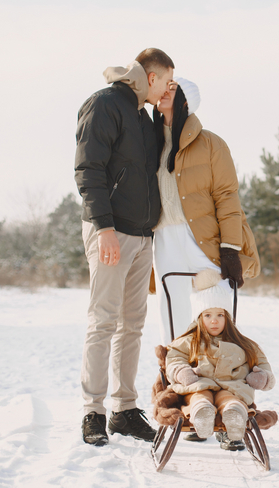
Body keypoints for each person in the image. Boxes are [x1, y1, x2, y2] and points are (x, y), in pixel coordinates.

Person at [74, 48, 174, 446]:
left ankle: (124, 410)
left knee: (132, 326)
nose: (169, 87)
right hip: (111, 231)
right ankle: (93, 413)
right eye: (167, 81)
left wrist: (168, 110)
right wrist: (105, 228)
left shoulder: (143, 115)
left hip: (143, 234)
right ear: (151, 77)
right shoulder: (105, 104)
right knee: (103, 322)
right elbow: (88, 169)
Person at [149, 77, 260, 345]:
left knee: (217, 309)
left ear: (186, 101)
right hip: (164, 237)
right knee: (171, 312)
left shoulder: (212, 144)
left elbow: (227, 197)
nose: (165, 91)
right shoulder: (148, 143)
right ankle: (174, 377)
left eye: (172, 88)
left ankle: (222, 376)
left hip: (204, 236)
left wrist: (230, 248)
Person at [165, 269, 275, 450]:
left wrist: (263, 376)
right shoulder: (189, 341)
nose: (214, 321)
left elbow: (261, 361)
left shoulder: (242, 343)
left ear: (228, 318)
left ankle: (234, 414)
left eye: (220, 315)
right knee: (200, 395)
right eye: (208, 315)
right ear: (199, 318)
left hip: (232, 387)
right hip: (198, 385)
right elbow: (174, 357)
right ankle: (202, 412)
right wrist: (180, 371)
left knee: (230, 398)